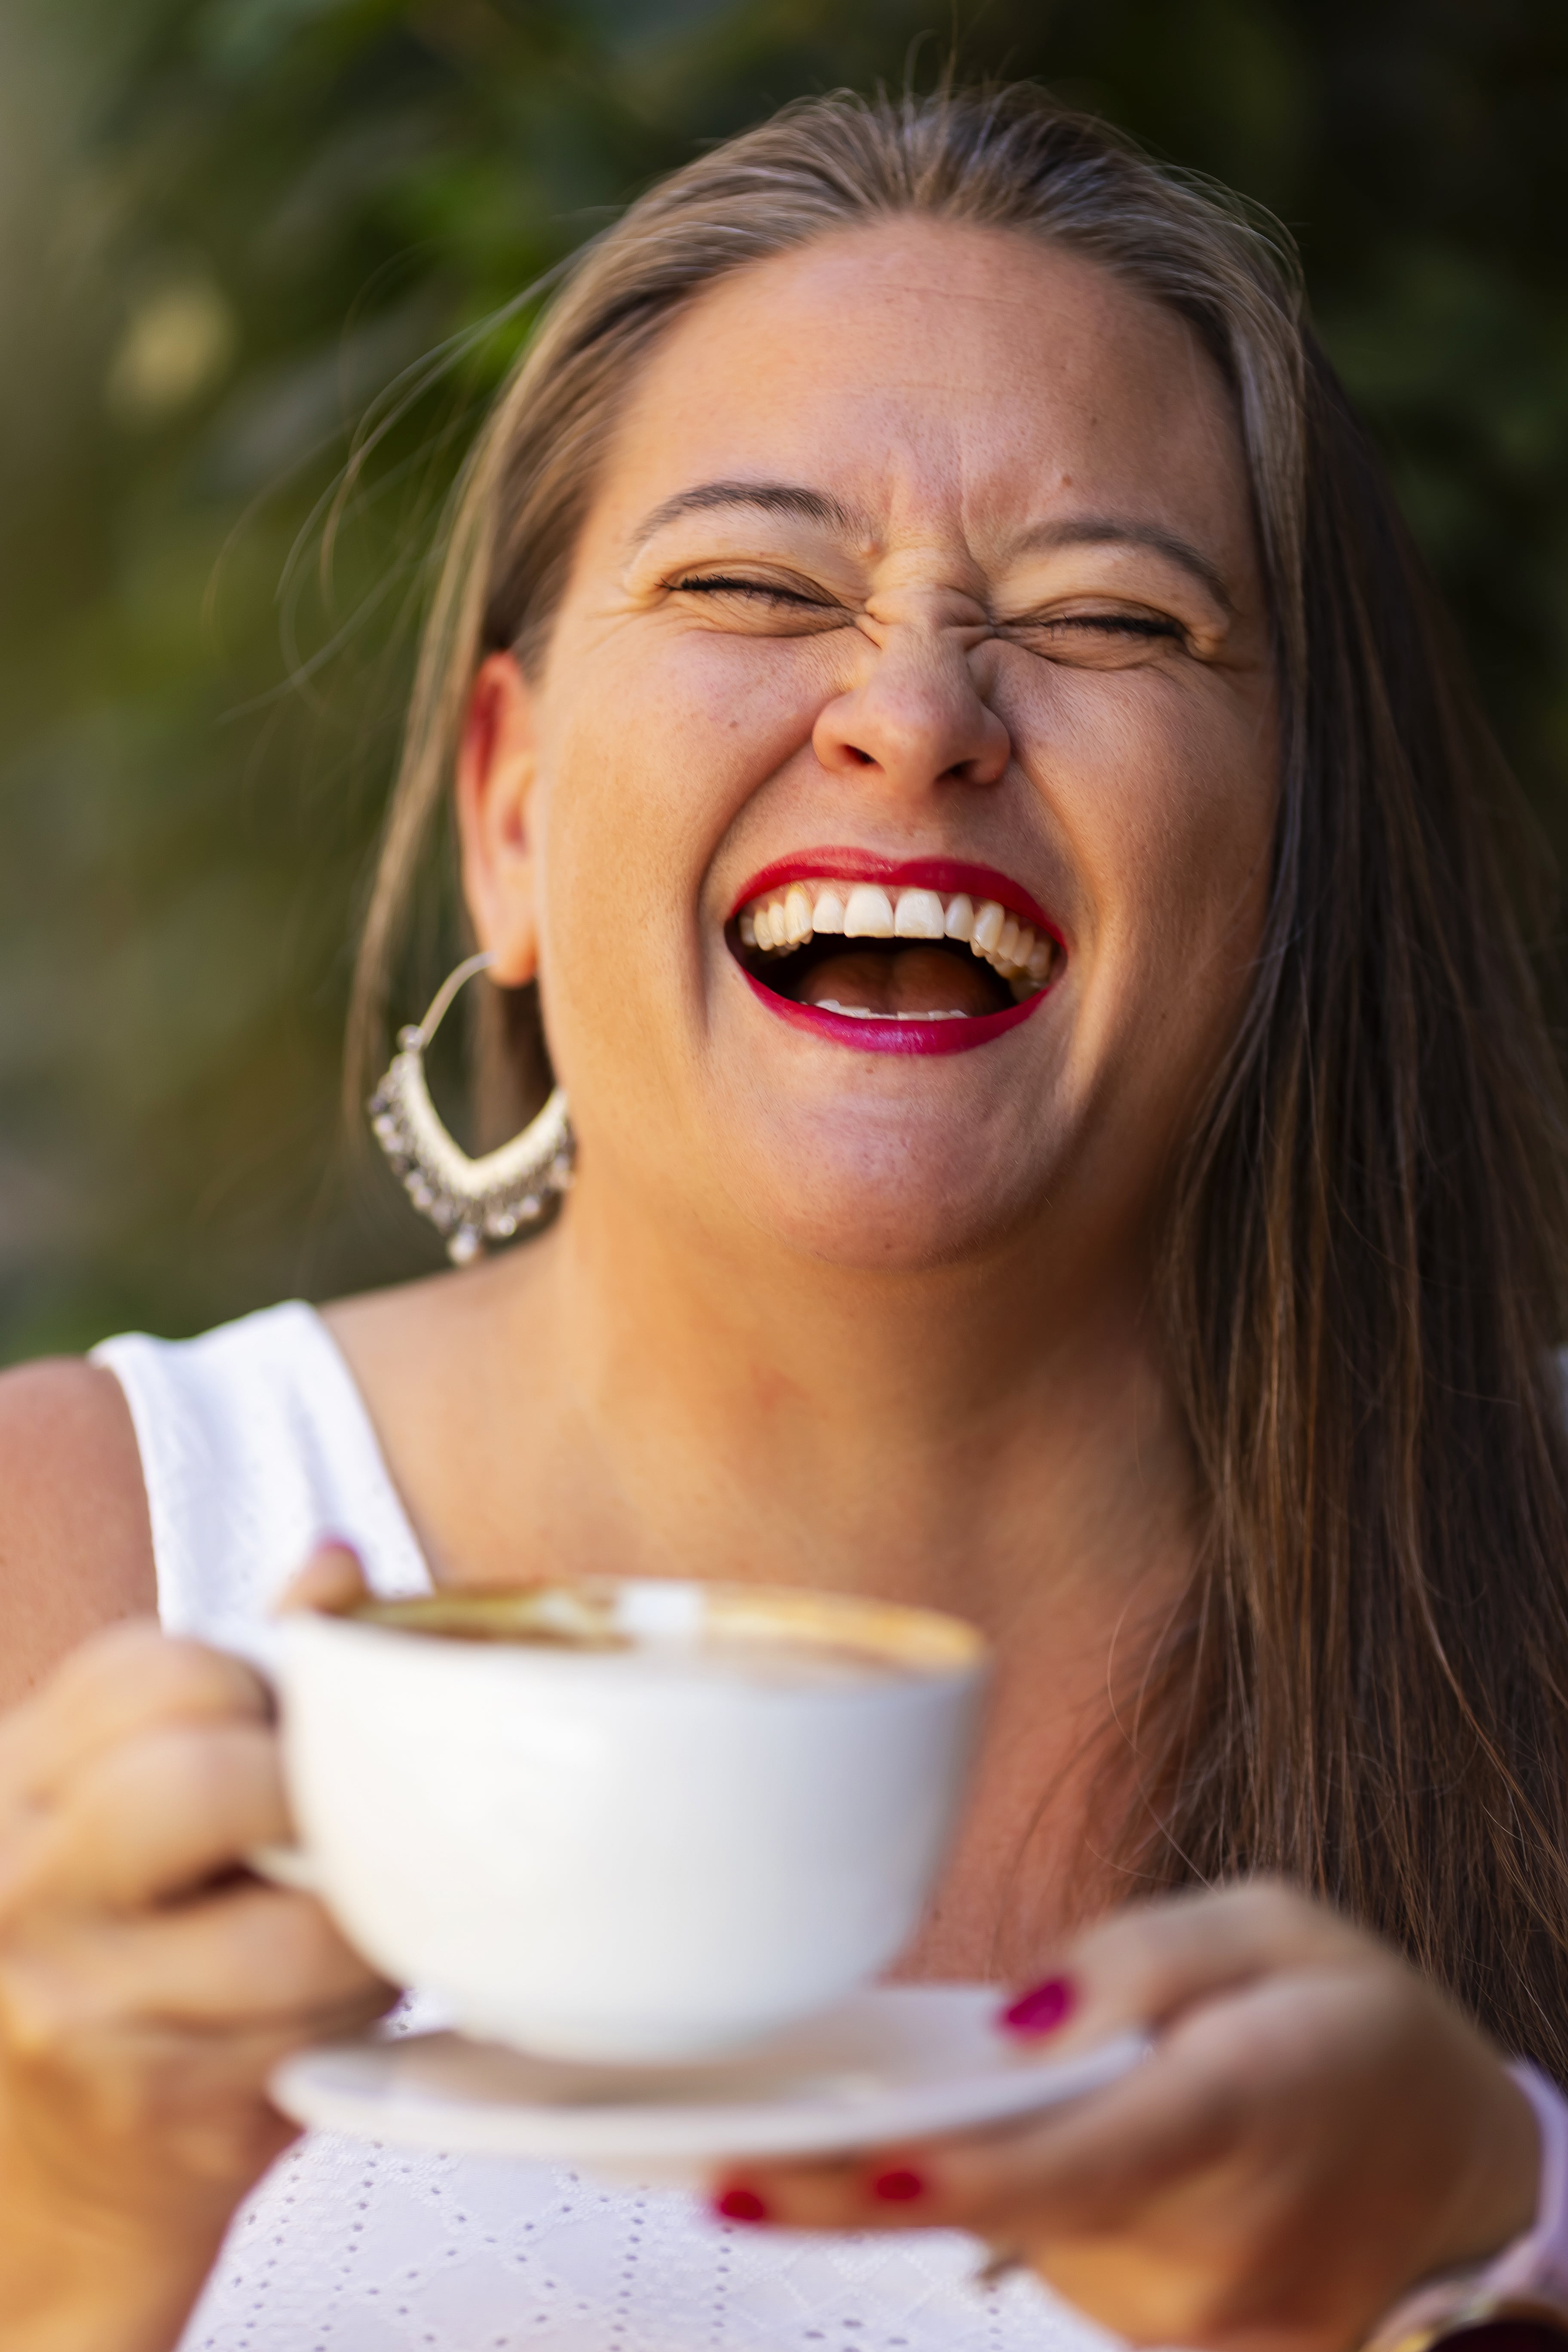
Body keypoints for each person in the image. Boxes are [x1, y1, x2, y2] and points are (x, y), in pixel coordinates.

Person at [2, 80, 1567, 2352]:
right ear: (511, 814)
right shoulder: (59, 1573)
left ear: (1291, 855)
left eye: (1109, 618)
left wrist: (1499, 2227)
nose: (915, 715)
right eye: (750, 585)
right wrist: (61, 2227)